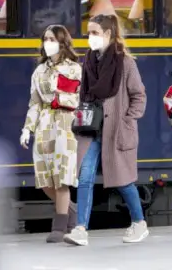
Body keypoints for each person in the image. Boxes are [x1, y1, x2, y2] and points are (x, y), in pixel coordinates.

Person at [63, 14, 148, 246]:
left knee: (123, 180)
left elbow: (139, 96)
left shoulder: (125, 63)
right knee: (85, 177)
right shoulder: (89, 61)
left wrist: (128, 120)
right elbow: (84, 94)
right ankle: (80, 229)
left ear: (108, 34)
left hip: (116, 129)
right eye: (89, 33)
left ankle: (139, 223)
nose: (90, 38)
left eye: (94, 33)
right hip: (91, 129)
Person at [20, 24, 82, 243]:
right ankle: (72, 213)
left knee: (61, 178)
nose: (47, 43)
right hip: (45, 125)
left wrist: (58, 99)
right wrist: (27, 128)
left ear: (62, 42)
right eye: (45, 39)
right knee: (45, 179)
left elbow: (76, 98)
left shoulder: (74, 68)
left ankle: (60, 225)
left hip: (65, 124)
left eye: (52, 39)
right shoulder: (39, 71)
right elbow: (35, 102)